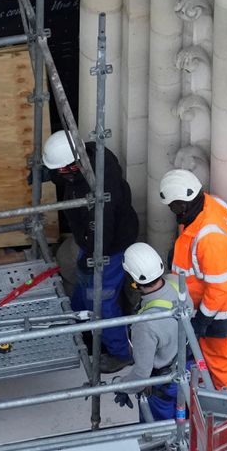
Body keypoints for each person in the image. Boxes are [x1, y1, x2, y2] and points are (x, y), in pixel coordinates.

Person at [35, 129, 141, 369]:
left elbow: (103, 229)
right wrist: (50, 174)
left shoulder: (101, 190)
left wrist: (94, 257)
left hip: (109, 247)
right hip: (91, 239)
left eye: (60, 170)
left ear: (73, 166)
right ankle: (79, 324)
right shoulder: (89, 154)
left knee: (101, 298)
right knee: (84, 283)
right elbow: (67, 176)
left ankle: (121, 353)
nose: (59, 175)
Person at [158, 168, 227, 393]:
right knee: (215, 367)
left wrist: (202, 320)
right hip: (220, 309)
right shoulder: (208, 207)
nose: (172, 212)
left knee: (225, 377)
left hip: (223, 315)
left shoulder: (209, 237)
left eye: (173, 206)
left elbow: (220, 286)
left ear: (182, 204)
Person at [114, 242, 189, 420]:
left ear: (133, 280)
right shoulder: (177, 283)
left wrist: (120, 386)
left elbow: (142, 374)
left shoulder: (145, 324)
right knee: (183, 425)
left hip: (161, 384)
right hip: (185, 371)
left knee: (160, 436)